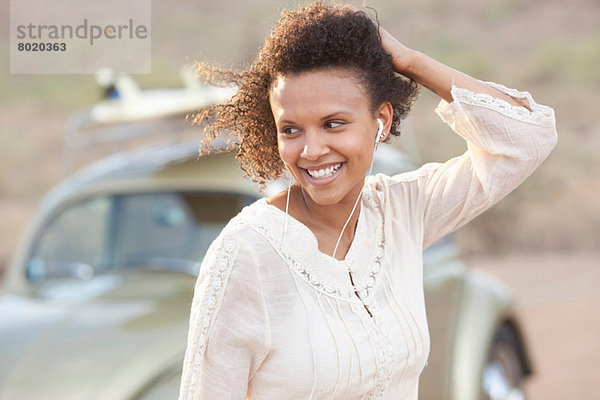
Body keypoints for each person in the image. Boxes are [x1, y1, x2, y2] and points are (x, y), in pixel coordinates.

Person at [178, 3, 557, 399]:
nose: (310, 150)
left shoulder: (403, 211)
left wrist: (409, 61)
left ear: (382, 120)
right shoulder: (245, 254)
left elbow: (528, 138)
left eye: (333, 123)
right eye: (290, 129)